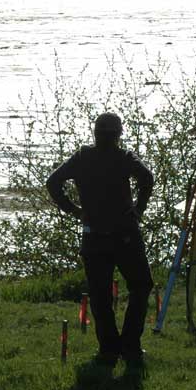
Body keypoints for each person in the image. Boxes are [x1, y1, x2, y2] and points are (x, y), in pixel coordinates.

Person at [46, 112, 155, 365]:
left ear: (95, 132)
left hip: (94, 235)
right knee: (140, 286)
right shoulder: (124, 157)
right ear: (119, 134)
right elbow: (147, 179)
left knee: (100, 295)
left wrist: (74, 210)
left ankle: (109, 348)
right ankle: (130, 345)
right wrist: (138, 209)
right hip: (125, 233)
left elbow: (53, 183)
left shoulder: (83, 157)